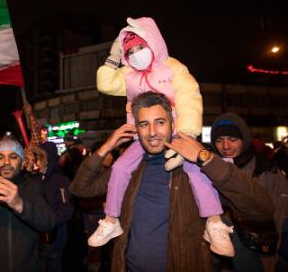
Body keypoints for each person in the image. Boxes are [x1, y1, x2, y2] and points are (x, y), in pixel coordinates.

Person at [71, 92, 274, 271]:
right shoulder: (129, 170)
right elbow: (81, 189)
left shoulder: (197, 168)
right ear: (136, 129)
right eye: (144, 124)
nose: (152, 132)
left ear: (173, 124)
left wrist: (207, 159)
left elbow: (262, 210)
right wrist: (106, 147)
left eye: (160, 122)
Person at [91, 17, 232, 256]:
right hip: (142, 136)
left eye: (140, 47)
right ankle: (111, 220)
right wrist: (114, 56)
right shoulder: (129, 73)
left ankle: (214, 222)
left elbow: (190, 98)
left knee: (196, 169)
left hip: (178, 132)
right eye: (130, 51)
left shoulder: (173, 67)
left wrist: (185, 138)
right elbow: (105, 84)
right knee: (120, 168)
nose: (136, 54)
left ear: (153, 42)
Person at [169, 112, 288, 272]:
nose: (225, 146)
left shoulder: (266, 170)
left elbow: (276, 217)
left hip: (257, 255)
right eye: (219, 140)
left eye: (232, 140)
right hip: (216, 256)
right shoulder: (203, 168)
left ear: (244, 140)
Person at [0, 137, 56, 271]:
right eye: (0, 157)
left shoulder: (33, 187)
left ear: (22, 162)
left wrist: (20, 205)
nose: (6, 162)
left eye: (13, 157)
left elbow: (50, 223)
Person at [24, 142, 74, 272]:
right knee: (39, 262)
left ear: (48, 158)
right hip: (39, 232)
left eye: (38, 157)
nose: (36, 161)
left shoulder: (60, 179)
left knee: (53, 262)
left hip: (56, 233)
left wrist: (49, 222)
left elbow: (66, 209)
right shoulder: (36, 177)